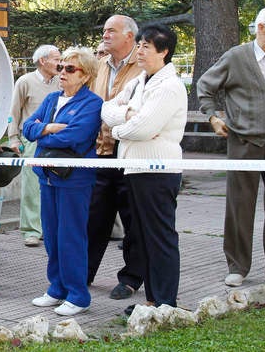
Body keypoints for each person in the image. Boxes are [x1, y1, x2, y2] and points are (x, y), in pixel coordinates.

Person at [197, 6, 265, 287]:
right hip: (243, 140)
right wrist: (213, 116)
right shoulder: (236, 57)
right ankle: (237, 266)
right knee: (240, 206)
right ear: (261, 27)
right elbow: (205, 86)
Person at [102, 24, 187, 313]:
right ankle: (151, 299)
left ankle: (165, 302)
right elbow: (107, 109)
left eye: (146, 47)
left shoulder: (169, 86)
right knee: (141, 235)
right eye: (139, 45)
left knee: (159, 237)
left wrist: (117, 131)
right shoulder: (139, 81)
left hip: (158, 171)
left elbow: (145, 127)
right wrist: (127, 115)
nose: (139, 51)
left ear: (163, 52)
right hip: (134, 168)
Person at [23, 47, 102, 316]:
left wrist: (40, 134)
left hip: (75, 179)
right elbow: (26, 127)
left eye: (70, 69)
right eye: (61, 67)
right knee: (52, 236)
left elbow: (74, 137)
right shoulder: (52, 99)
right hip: (48, 176)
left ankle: (78, 294)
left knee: (71, 237)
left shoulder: (92, 104)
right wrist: (47, 128)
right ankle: (57, 288)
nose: (63, 73)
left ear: (86, 75)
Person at [86, 14, 144, 301]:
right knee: (94, 217)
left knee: (133, 221)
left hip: (130, 155)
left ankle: (131, 278)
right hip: (100, 153)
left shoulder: (143, 66)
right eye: (104, 30)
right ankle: (84, 273)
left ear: (129, 37)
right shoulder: (98, 66)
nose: (105, 34)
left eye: (112, 31)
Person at [7, 44, 61, 247]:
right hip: (31, 141)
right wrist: (13, 138)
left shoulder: (61, 82)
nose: (60, 63)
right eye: (56, 59)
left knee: (53, 185)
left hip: (56, 141)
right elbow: (13, 112)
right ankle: (31, 230)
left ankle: (48, 229)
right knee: (31, 187)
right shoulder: (25, 81)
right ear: (42, 61)